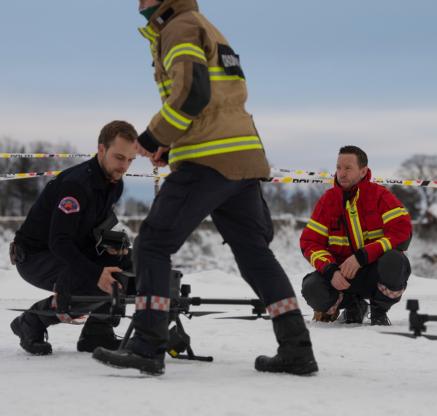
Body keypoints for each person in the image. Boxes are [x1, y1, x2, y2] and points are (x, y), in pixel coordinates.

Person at [92, 0, 317, 376]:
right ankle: (297, 349)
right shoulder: (205, 26)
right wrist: (171, 144)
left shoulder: (177, 28)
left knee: (152, 243)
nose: (139, 2)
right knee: (255, 255)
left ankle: (148, 346)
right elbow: (217, 102)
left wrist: (154, 136)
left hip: (209, 160)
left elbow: (193, 93)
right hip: (241, 156)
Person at [10, 121, 138, 355]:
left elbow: (91, 228)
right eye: (119, 157)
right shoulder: (75, 187)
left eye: (130, 160)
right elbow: (58, 241)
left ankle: (97, 333)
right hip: (35, 257)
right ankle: (31, 321)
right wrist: (96, 272)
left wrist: (110, 245)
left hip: (65, 249)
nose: (124, 166)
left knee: (126, 267)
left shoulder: (113, 184)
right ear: (101, 150)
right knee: (97, 282)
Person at [300, 146, 412, 326]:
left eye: (348, 168)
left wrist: (362, 256)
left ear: (363, 172)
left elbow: (402, 233)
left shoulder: (381, 196)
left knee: (394, 260)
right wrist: (331, 270)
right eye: (338, 168)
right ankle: (354, 306)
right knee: (312, 288)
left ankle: (379, 310)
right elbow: (310, 242)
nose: (341, 174)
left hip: (375, 272)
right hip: (342, 276)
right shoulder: (327, 201)